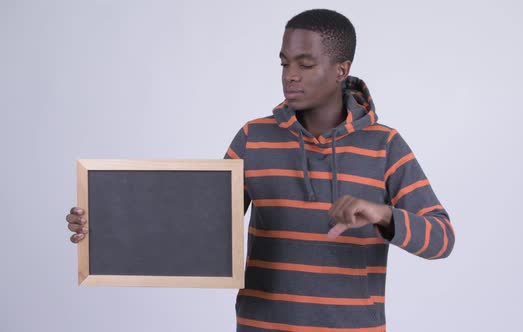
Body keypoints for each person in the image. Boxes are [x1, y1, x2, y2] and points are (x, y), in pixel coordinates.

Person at [66, 9, 455, 331]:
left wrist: (383, 214)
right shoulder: (254, 138)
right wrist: (103, 227)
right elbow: (200, 228)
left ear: (341, 69)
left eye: (306, 64)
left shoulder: (385, 145)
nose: (291, 75)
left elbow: (442, 239)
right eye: (285, 62)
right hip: (260, 325)